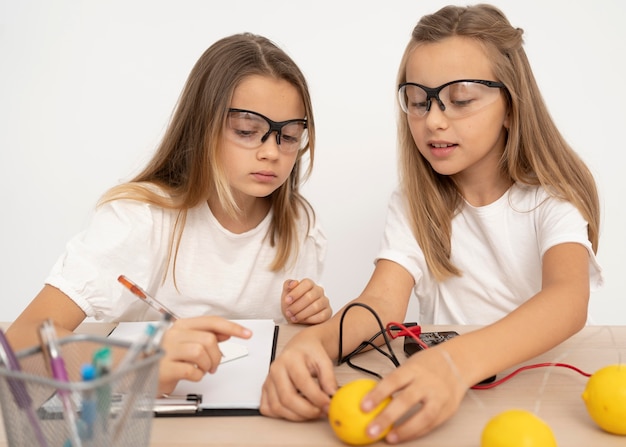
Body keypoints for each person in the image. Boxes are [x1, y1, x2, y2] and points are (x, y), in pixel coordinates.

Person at [260, 4, 602, 443]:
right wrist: (314, 344)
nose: (434, 120)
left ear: (512, 106)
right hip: (446, 405)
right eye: (419, 101)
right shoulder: (413, 203)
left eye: (460, 100)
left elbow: (568, 299)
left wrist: (455, 363)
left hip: (536, 397)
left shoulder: (550, 199)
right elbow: (382, 304)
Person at [6, 33, 331, 395]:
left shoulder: (299, 222)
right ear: (202, 125)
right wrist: (137, 365)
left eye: (288, 136)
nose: (272, 152)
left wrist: (311, 316)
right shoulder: (140, 217)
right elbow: (22, 344)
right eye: (247, 131)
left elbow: (289, 344)